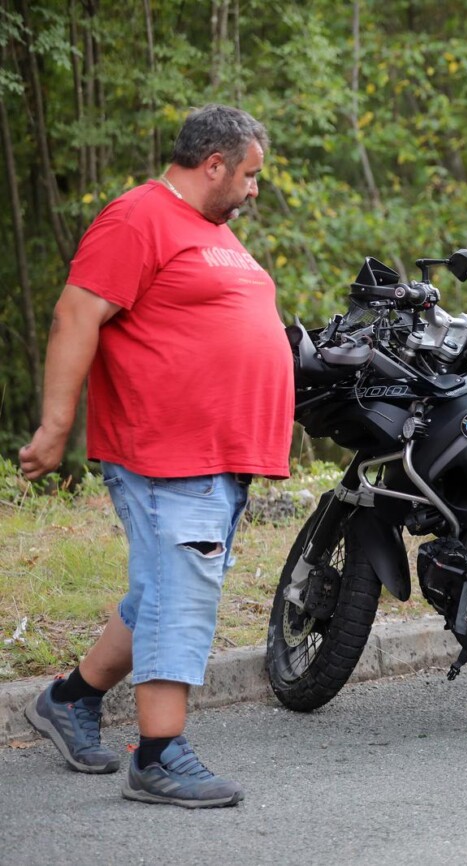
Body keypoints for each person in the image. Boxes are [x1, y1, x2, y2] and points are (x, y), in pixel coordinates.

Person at [17, 104, 293, 809]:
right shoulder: (138, 217)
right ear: (215, 165)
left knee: (162, 593)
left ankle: (69, 701)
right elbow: (77, 313)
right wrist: (56, 427)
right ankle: (160, 755)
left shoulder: (210, 232)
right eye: (251, 175)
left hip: (218, 456)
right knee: (180, 596)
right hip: (166, 450)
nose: (255, 190)